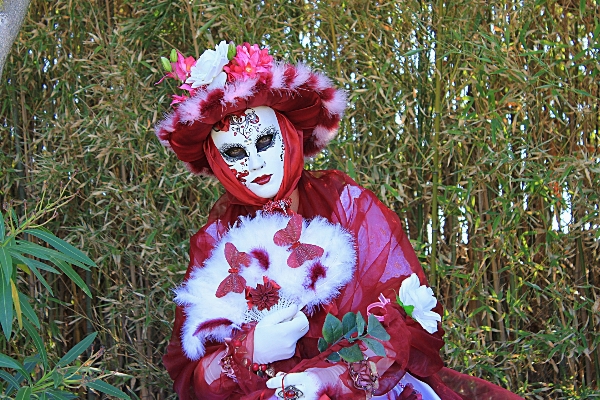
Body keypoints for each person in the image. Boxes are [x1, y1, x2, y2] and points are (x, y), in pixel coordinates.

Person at [156, 41, 523, 400]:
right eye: (234, 152)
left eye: (265, 141)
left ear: (289, 134)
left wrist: (328, 378)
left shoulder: (347, 206)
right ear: (216, 160)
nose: (254, 163)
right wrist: (249, 350)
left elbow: (408, 318)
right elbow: (192, 375)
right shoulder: (217, 238)